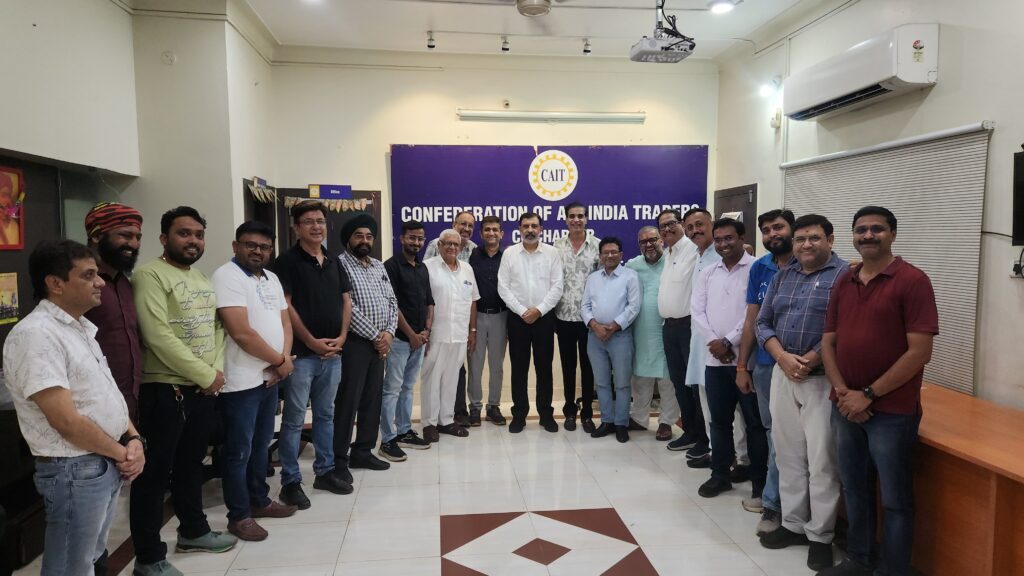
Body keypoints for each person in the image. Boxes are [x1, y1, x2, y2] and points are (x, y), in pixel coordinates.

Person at [3, 240, 144, 576]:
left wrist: (133, 438)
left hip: (100, 460)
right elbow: (64, 420)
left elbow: (103, 393)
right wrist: (122, 453)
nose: (100, 283)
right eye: (88, 275)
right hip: (74, 468)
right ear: (56, 283)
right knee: (70, 567)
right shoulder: (36, 335)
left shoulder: (78, 326)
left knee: (88, 558)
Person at [819, 206, 938, 576]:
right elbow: (828, 342)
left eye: (877, 229)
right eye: (861, 230)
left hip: (891, 411)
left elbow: (919, 352)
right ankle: (859, 559)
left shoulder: (913, 280)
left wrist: (867, 394)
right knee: (855, 488)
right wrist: (843, 391)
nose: (868, 235)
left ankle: (892, 569)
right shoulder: (846, 280)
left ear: (893, 234)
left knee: (895, 499)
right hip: (845, 406)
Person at [130, 207, 236, 576]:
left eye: (198, 235)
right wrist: (205, 375)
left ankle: (194, 531)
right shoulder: (149, 276)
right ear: (164, 238)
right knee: (155, 475)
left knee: (192, 464)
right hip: (165, 389)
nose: (193, 241)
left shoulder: (200, 277)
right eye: (184, 233)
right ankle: (148, 557)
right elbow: (157, 335)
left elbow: (217, 328)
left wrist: (214, 372)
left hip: (200, 388)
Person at [755, 214, 847, 571]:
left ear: (830, 239)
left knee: (822, 461)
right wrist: (781, 356)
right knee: (788, 454)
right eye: (801, 239)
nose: (806, 244)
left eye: (814, 238)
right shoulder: (784, 275)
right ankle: (793, 524)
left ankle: (820, 535)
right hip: (783, 375)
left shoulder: (844, 276)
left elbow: (845, 327)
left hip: (822, 379)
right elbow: (763, 322)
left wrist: (809, 359)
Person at [212, 221, 299, 542]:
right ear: (236, 246)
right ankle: (239, 515)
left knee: (261, 445)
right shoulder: (226, 276)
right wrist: (281, 362)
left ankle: (259, 500)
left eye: (264, 247)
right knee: (239, 451)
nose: (257, 251)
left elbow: (285, 323)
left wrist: (283, 360)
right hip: (240, 381)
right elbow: (241, 333)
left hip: (270, 378)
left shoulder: (272, 278)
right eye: (250, 245)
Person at [272, 201, 354, 507]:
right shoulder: (286, 262)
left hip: (333, 355)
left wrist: (342, 337)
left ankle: (325, 471)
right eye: (308, 221)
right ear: (297, 228)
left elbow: (346, 301)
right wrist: (310, 341)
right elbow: (286, 306)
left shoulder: (333, 260)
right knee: (294, 419)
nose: (316, 226)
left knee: (325, 415)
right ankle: (290, 481)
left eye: (320, 221)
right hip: (302, 356)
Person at [691, 218, 767, 503]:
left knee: (754, 424)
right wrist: (714, 341)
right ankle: (720, 474)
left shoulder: (757, 268)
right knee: (719, 422)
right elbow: (697, 310)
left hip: (746, 361)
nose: (723, 244)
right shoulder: (708, 272)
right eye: (719, 239)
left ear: (742, 238)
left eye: (729, 238)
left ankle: (759, 481)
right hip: (715, 363)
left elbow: (754, 313)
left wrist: (728, 341)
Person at [735, 209, 795, 535]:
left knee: (795, 440)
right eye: (767, 229)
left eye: (778, 227)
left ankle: (785, 506)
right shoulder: (760, 268)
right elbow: (752, 321)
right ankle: (773, 502)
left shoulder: (807, 265)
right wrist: (742, 365)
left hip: (803, 369)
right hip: (765, 365)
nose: (773, 234)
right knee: (772, 433)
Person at [336, 213, 399, 479]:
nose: (365, 240)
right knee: (348, 401)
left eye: (369, 236)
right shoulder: (339, 265)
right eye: (359, 236)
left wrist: (389, 333)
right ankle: (339, 459)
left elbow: (392, 302)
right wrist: (376, 336)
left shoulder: (377, 266)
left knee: (372, 399)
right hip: (356, 343)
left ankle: (363, 451)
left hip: (380, 343)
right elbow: (347, 307)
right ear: (348, 239)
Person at [497, 212, 564, 433]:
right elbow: (503, 287)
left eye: (534, 226)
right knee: (519, 369)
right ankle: (519, 415)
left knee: (544, 368)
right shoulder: (509, 254)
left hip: (544, 318)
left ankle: (546, 414)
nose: (530, 230)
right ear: (519, 229)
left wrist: (539, 310)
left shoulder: (552, 253)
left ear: (541, 229)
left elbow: (557, 286)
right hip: (518, 319)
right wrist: (522, 311)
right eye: (526, 226)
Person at [83, 203, 144, 425]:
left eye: (138, 237)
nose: (134, 244)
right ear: (97, 236)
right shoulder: (80, 283)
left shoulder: (125, 282)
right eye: (125, 235)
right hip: (92, 405)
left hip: (130, 401)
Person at [380, 220, 434, 460]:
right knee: (392, 389)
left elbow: (429, 302)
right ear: (402, 239)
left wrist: (426, 332)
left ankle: (404, 431)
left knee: (408, 388)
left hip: (419, 340)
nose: (416, 242)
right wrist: (412, 335)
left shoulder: (422, 268)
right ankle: (388, 439)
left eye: (420, 238)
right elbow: (393, 306)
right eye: (412, 237)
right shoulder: (390, 267)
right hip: (400, 340)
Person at [675, 207, 725, 470]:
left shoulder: (724, 255)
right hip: (700, 342)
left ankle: (732, 458)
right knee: (706, 403)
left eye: (700, 225)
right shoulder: (699, 255)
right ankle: (715, 451)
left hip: (721, 346)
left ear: (711, 224)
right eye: (690, 227)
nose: (695, 231)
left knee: (725, 409)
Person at [656, 209, 708, 456]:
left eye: (671, 224)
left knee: (695, 384)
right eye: (662, 226)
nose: (667, 229)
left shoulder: (693, 250)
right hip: (669, 327)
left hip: (689, 327)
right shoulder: (668, 252)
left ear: (682, 226)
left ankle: (703, 437)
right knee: (679, 383)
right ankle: (689, 431)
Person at [420, 229, 480, 440]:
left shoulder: (467, 269)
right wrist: (424, 331)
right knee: (431, 378)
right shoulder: (428, 267)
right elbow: (421, 300)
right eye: (448, 243)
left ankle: (445, 420)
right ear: (439, 245)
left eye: (456, 244)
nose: (452, 247)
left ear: (460, 247)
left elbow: (473, 301)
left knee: (452, 378)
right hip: (435, 334)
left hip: (459, 334)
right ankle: (429, 423)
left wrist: (472, 331)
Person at [581, 237, 640, 443]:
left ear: (621, 255)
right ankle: (606, 421)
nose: (610, 256)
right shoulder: (593, 278)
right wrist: (595, 326)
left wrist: (613, 326)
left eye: (614, 252)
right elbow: (585, 306)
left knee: (622, 384)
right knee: (602, 383)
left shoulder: (630, 276)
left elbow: (634, 307)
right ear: (600, 256)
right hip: (595, 337)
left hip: (620, 336)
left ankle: (621, 423)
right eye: (605, 252)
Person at [625, 226, 679, 441]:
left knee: (668, 379)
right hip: (640, 330)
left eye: (652, 240)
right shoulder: (632, 266)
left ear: (661, 240)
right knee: (640, 377)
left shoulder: (672, 262)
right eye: (643, 242)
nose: (648, 245)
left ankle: (666, 421)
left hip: (668, 329)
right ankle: (639, 418)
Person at [553, 202, 600, 433]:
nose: (576, 220)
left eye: (580, 216)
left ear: (586, 219)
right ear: (565, 219)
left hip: (589, 319)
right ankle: (570, 412)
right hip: (563, 317)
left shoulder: (598, 246)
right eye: (572, 216)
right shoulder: (556, 247)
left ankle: (588, 413)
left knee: (588, 368)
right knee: (568, 366)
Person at [467, 215, 508, 426]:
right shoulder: (472, 255)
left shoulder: (508, 257)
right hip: (477, 317)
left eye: (495, 230)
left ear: (501, 233)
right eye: (487, 230)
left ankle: (493, 407)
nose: (491, 233)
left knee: (496, 366)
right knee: (475, 364)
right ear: (481, 234)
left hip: (501, 316)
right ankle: (475, 407)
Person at [0, 171, 21, 246]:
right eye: (4, 195)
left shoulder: (14, 226)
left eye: (9, 195)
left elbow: (19, 202)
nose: (8, 200)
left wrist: (22, 193)